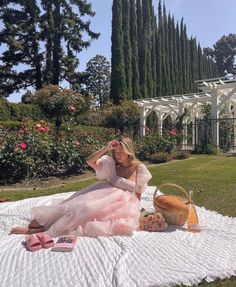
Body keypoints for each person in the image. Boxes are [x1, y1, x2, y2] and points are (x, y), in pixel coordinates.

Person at [11, 137, 152, 237]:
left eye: (121, 151)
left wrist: (135, 212)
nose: (118, 155)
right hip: (102, 192)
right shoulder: (111, 164)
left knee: (86, 210)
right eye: (116, 152)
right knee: (71, 205)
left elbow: (138, 194)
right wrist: (106, 148)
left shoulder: (139, 168)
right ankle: (40, 225)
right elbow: (90, 161)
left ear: (129, 151)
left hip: (122, 202)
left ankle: (43, 230)